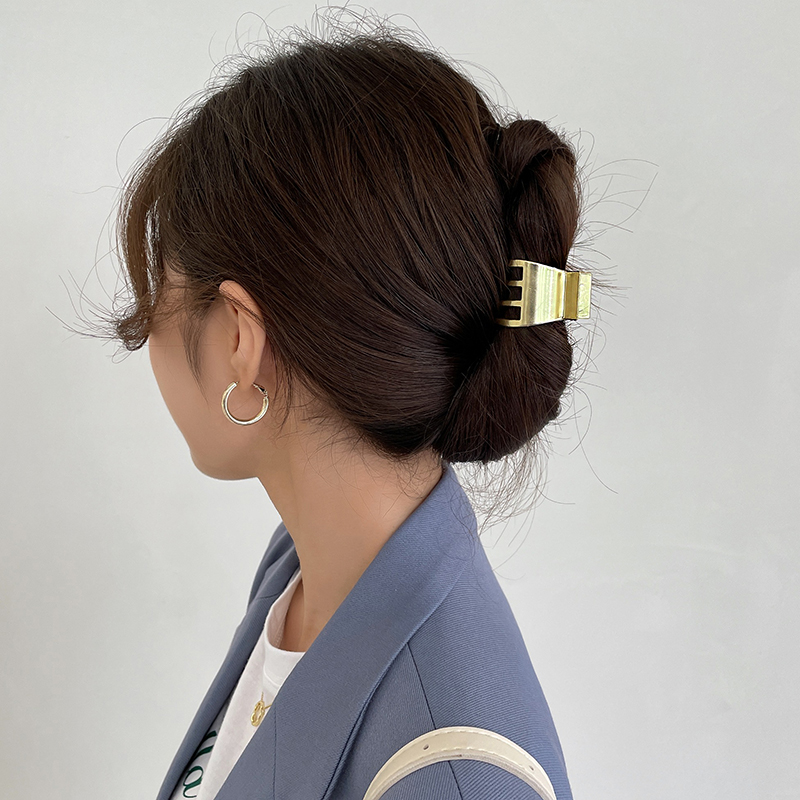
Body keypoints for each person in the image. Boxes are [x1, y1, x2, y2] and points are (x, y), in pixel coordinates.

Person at [109, 12, 595, 800]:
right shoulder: (301, 573)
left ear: (240, 339)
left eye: (157, 291)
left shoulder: (455, 781)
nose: (148, 338)